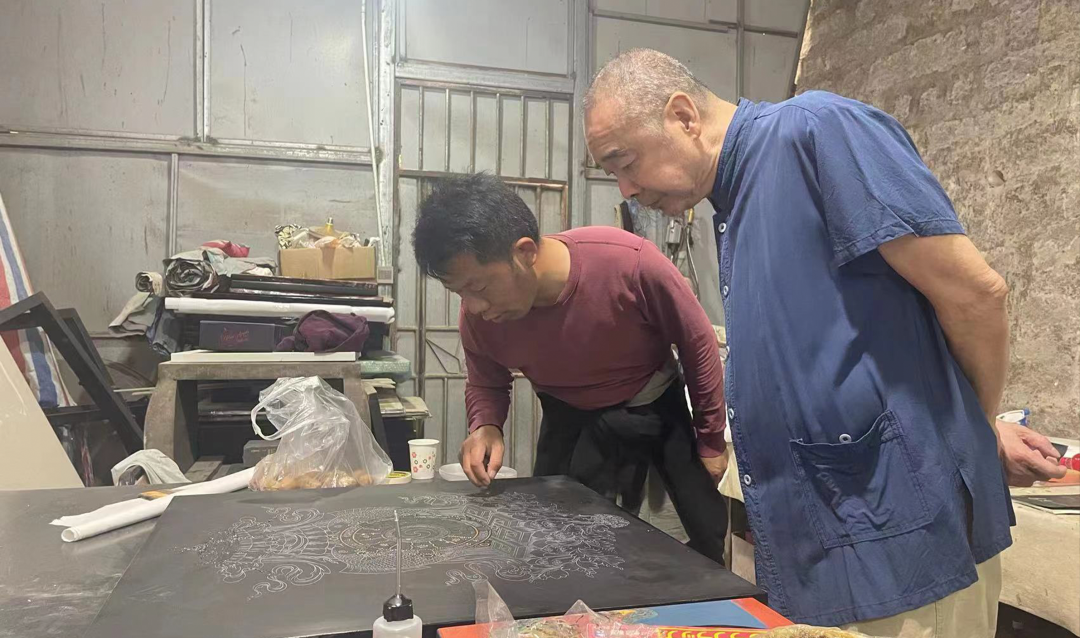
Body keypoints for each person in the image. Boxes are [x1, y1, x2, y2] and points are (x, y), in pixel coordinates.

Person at [583, 48, 1067, 637]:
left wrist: (975, 427)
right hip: (835, 538)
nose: (627, 188)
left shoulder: (817, 132)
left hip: (901, 542)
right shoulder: (733, 197)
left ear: (683, 116)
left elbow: (975, 296)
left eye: (625, 162)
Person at [411, 172, 729, 564]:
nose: (474, 306)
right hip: (567, 418)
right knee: (556, 546)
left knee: (691, 547)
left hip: (653, 410)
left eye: (478, 287)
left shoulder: (628, 264)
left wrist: (711, 440)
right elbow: (486, 379)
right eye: (458, 292)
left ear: (525, 252)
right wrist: (486, 426)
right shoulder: (479, 317)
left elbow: (697, 343)